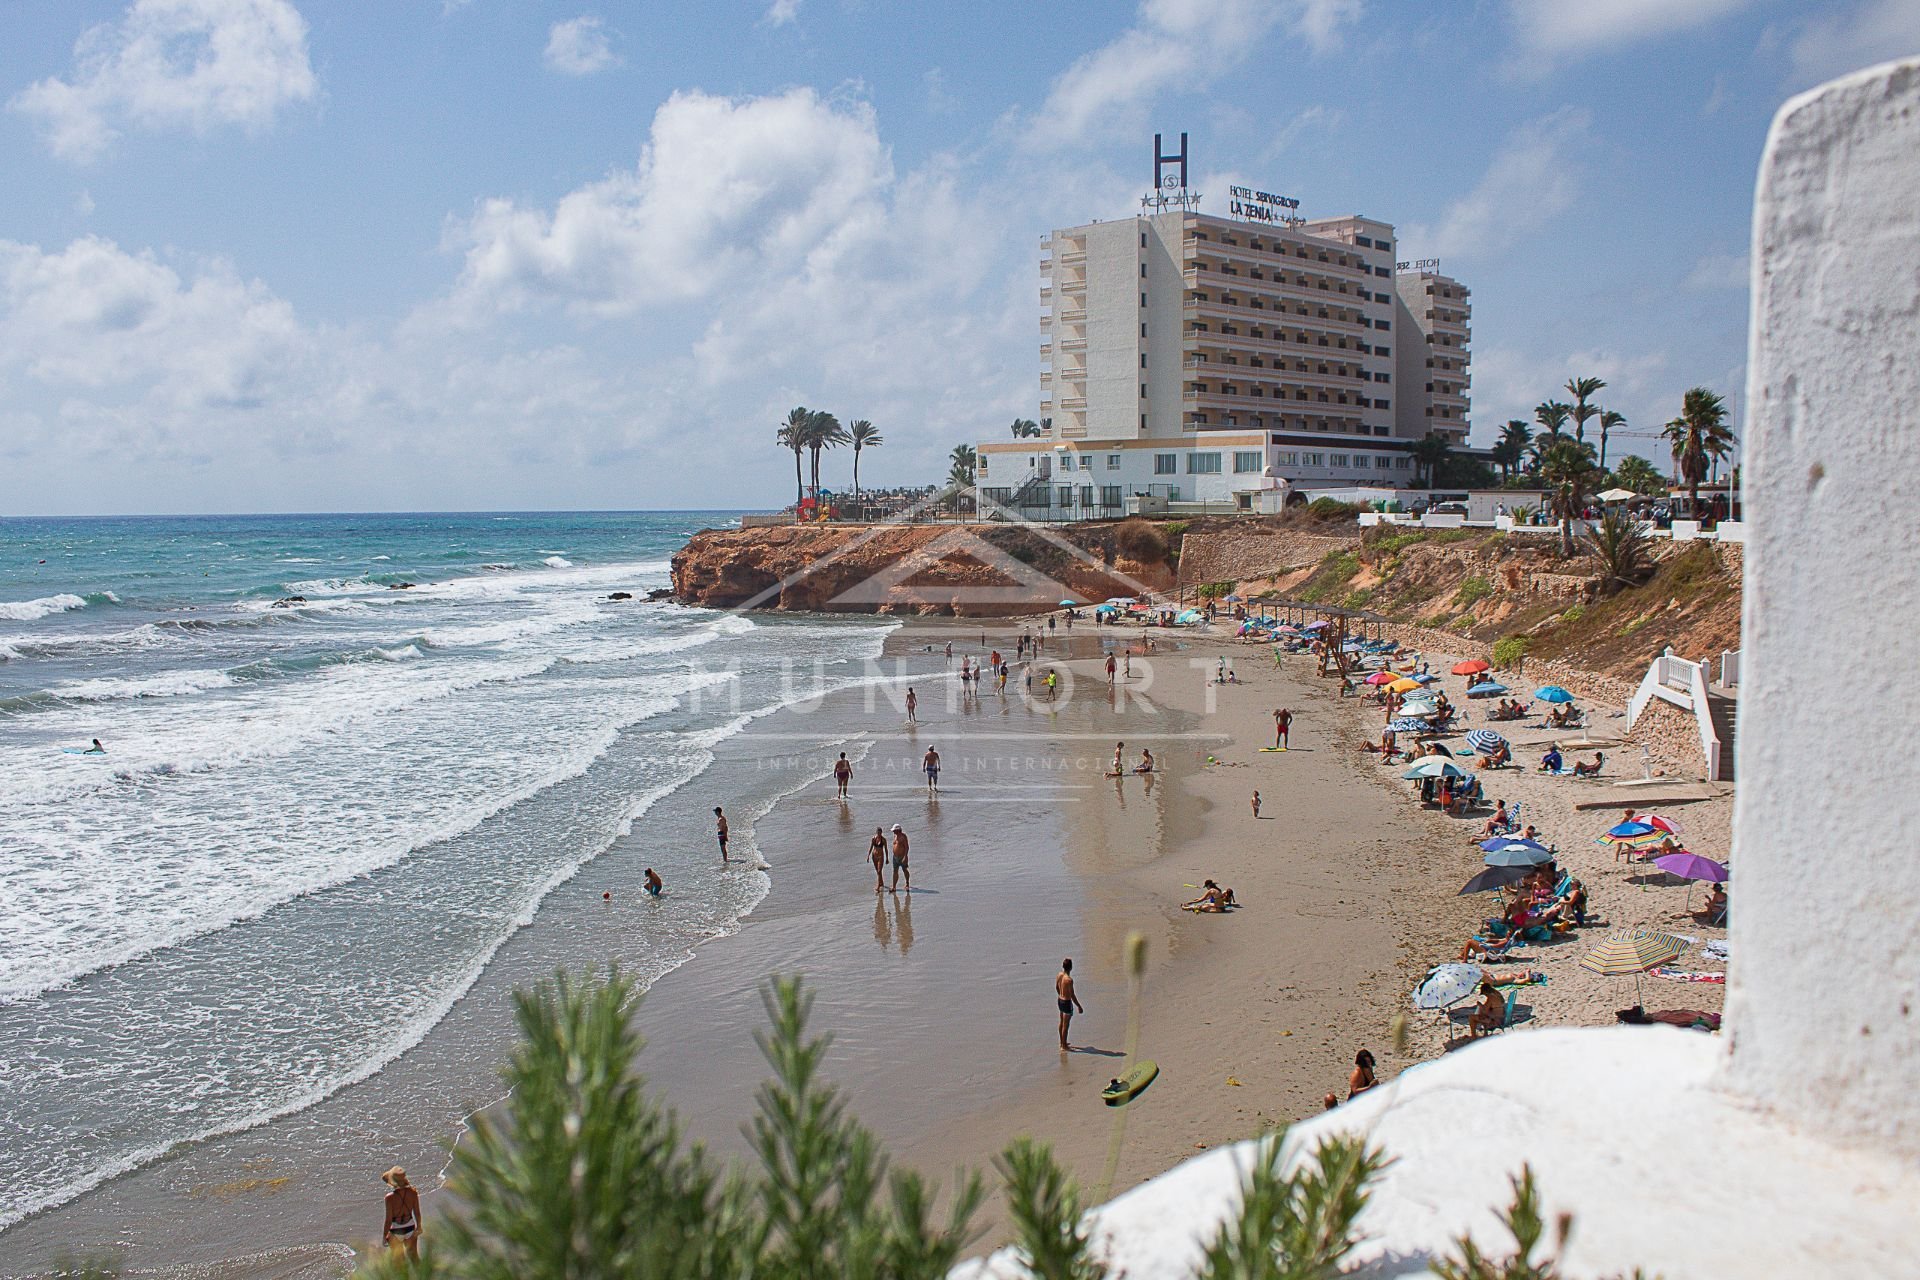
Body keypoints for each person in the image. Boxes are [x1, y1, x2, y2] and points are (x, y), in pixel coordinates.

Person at [381, 1166, 422, 1260]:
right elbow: (417, 1213)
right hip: (410, 1227)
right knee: (414, 1258)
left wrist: (384, 1236)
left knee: (399, 1261)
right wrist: (419, 1226)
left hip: (396, 1229)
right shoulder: (413, 1192)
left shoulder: (389, 1197)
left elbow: (388, 1220)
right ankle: (422, 1274)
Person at [1056, 957, 1083, 1051]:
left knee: (1061, 1022)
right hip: (1067, 1002)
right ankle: (1064, 1046)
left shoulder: (1059, 975)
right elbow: (1072, 995)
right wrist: (1079, 1006)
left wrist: (1060, 995)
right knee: (1066, 1025)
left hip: (1060, 1000)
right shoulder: (1069, 980)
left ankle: (1062, 1042)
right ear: (1071, 967)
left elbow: (1057, 987)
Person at [890, 824, 910, 891]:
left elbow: (907, 847)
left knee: (905, 870)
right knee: (895, 871)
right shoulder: (895, 836)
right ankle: (894, 886)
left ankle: (907, 883)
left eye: (894, 831)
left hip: (902, 857)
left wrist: (905, 856)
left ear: (898, 830)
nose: (893, 832)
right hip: (895, 857)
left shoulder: (903, 837)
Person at [868, 827, 888, 892]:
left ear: (881, 833)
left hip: (880, 856)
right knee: (878, 871)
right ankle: (881, 883)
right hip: (874, 856)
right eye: (878, 833)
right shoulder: (873, 839)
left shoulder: (884, 840)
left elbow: (886, 849)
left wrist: (887, 858)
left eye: (880, 833)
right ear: (876, 832)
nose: (879, 834)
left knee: (879, 871)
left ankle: (878, 886)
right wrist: (868, 855)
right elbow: (871, 847)